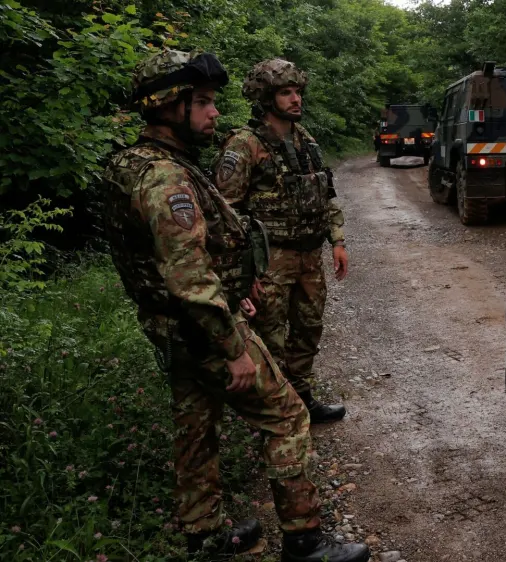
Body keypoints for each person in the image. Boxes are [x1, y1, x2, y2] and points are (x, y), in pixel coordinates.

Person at [102, 48, 369, 562]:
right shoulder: (166, 178)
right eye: (202, 102)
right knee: (289, 416)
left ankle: (204, 535)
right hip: (202, 329)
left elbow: (200, 249)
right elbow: (189, 276)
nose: (213, 112)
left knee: (196, 426)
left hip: (174, 327)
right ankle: (305, 540)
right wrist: (233, 347)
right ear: (167, 106)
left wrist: (237, 285)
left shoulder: (133, 163)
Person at [214, 59, 348, 424]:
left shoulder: (306, 141)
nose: (295, 99)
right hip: (270, 260)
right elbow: (226, 213)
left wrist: (337, 240)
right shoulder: (244, 144)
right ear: (265, 97)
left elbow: (326, 192)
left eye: (298, 92)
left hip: (308, 257)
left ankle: (302, 399)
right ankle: (274, 413)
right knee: (269, 336)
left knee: (308, 328)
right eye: (286, 92)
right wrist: (244, 272)